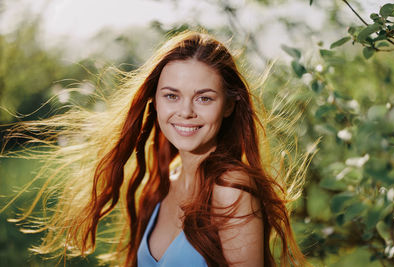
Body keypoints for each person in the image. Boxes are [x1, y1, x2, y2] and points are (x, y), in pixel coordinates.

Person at [5, 31, 308, 266]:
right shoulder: (166, 182)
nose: (186, 112)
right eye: (171, 96)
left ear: (229, 105)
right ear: (154, 100)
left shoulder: (230, 188)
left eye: (204, 98)